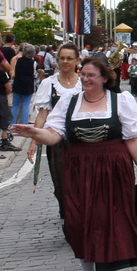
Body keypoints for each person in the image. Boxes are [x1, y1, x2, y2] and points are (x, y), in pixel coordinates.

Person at [10, 56, 137, 271]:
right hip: (79, 170)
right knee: (80, 220)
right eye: (84, 74)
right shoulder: (69, 102)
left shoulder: (121, 101)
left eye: (91, 75)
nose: (86, 79)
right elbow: (54, 136)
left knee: (107, 221)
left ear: (104, 79)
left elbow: (132, 139)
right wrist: (35, 133)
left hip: (113, 170)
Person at [32, 43, 85, 221]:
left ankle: (82, 214)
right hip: (58, 142)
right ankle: (67, 215)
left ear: (78, 60)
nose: (65, 61)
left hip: (82, 140)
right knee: (62, 183)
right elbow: (42, 115)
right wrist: (34, 139)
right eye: (62, 58)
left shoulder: (84, 83)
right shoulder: (49, 84)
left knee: (83, 181)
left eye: (69, 58)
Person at [11, 43, 38, 126]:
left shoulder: (18, 60)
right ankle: (24, 124)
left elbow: (15, 71)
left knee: (15, 104)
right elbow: (34, 74)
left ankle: (12, 124)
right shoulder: (33, 63)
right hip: (28, 85)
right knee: (26, 105)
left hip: (18, 83)